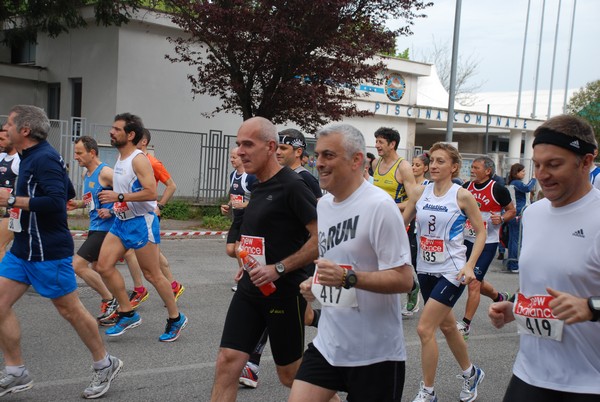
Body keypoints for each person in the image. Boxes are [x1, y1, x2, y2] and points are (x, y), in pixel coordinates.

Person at [0, 105, 122, 398]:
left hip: (48, 251)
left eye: (9, 124)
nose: (6, 128)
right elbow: (67, 191)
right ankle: (16, 372)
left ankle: (105, 364)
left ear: (24, 130)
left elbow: (56, 201)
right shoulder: (30, 156)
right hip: (23, 247)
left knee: (71, 311)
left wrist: (13, 199)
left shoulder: (43, 158)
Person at [288, 124, 413, 402]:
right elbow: (337, 264)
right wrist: (317, 283)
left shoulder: (380, 206)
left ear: (356, 160)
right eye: (318, 155)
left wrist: (349, 278)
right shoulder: (324, 205)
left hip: (375, 353)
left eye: (329, 155)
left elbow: (405, 280)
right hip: (329, 343)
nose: (318, 163)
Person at [489, 114, 600, 401]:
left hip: (588, 384)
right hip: (529, 375)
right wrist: (515, 307)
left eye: (554, 165)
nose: (541, 174)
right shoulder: (534, 214)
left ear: (586, 161)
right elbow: (543, 283)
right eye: (537, 165)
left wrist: (592, 307)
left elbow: (585, 301)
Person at [210, 117, 318, 402]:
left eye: (248, 144)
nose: (240, 151)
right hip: (250, 288)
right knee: (227, 361)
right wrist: (247, 263)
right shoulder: (257, 185)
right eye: (238, 144)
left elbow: (321, 239)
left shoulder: (293, 186)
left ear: (270, 147)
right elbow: (262, 236)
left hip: (283, 293)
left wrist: (278, 268)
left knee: (290, 375)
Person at [402, 142, 486, 402]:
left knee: (425, 329)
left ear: (454, 167)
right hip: (425, 268)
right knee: (449, 327)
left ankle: (428, 391)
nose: (435, 166)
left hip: (453, 271)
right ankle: (471, 373)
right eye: (433, 161)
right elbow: (401, 224)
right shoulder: (419, 192)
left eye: (441, 161)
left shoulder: (462, 195)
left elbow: (481, 231)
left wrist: (470, 265)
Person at [95, 113, 188, 342]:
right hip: (121, 221)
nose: (111, 132)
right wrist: (115, 205)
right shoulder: (120, 159)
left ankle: (176, 318)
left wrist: (118, 196)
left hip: (141, 222)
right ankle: (127, 313)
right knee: (103, 266)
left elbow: (150, 193)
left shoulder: (138, 159)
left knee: (153, 275)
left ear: (131, 135)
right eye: (112, 128)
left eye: (117, 129)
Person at [456, 156, 516, 339]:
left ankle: (465, 324)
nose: (472, 170)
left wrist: (502, 218)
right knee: (476, 280)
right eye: (471, 167)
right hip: (466, 240)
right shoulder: (466, 188)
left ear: (487, 171)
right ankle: (498, 296)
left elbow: (512, 210)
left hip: (487, 242)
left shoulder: (498, 189)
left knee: (473, 283)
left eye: (476, 167)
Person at [125, 128, 185, 307]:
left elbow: (171, 186)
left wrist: (160, 206)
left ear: (143, 142)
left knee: (134, 252)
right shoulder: (131, 161)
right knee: (153, 255)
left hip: (147, 215)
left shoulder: (152, 163)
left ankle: (139, 290)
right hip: (130, 214)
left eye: (133, 138)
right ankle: (173, 286)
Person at [67, 136, 120, 325]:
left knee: (77, 265)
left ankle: (110, 300)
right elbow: (91, 200)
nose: (76, 157)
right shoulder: (86, 175)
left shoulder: (106, 172)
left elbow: (130, 193)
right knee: (99, 268)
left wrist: (112, 209)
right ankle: (120, 305)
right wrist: (78, 203)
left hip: (107, 228)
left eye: (79, 153)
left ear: (92, 153)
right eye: (75, 153)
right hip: (95, 226)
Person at [372, 127, 420, 316]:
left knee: (394, 263)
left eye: (380, 142)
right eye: (376, 141)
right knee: (375, 259)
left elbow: (414, 199)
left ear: (392, 144)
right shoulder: (375, 163)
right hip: (377, 219)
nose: (376, 146)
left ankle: (411, 286)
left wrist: (391, 205)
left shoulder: (403, 167)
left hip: (398, 221)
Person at [404, 153, 430, 318]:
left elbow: (411, 204)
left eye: (417, 165)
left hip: (419, 228)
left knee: (416, 263)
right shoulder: (406, 183)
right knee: (403, 263)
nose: (413, 168)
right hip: (405, 225)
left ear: (425, 168)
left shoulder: (428, 185)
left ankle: (429, 303)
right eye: (412, 164)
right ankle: (413, 289)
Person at [505, 163, 537, 272]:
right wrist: (534, 179)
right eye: (522, 171)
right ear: (516, 172)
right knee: (516, 240)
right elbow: (527, 188)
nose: (524, 173)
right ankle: (514, 264)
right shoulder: (517, 183)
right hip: (518, 213)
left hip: (513, 213)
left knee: (513, 239)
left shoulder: (512, 183)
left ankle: (511, 262)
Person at [276, 128, 323, 199]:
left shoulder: (307, 178)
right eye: (277, 148)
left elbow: (319, 207)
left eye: (283, 148)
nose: (277, 152)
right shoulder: (277, 175)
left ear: (298, 152)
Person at [0, 127, 20, 262]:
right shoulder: (1, 157)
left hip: (13, 211)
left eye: (2, 139)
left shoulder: (19, 160)